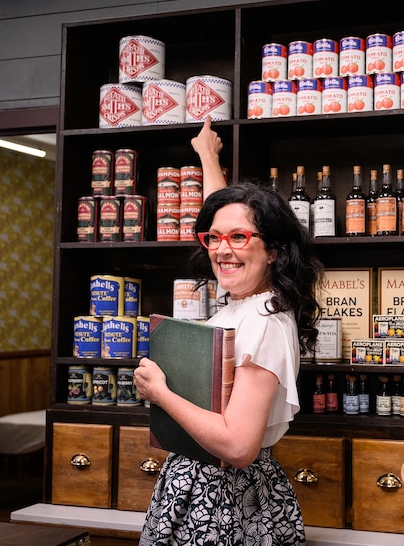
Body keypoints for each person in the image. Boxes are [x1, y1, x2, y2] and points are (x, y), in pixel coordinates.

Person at [135, 116, 323, 546]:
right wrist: (207, 155)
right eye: (213, 238)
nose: (222, 248)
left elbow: (239, 448)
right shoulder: (246, 303)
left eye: (238, 237)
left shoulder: (265, 320)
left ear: (274, 250)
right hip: (201, 486)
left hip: (224, 498)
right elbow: (230, 220)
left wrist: (160, 392)